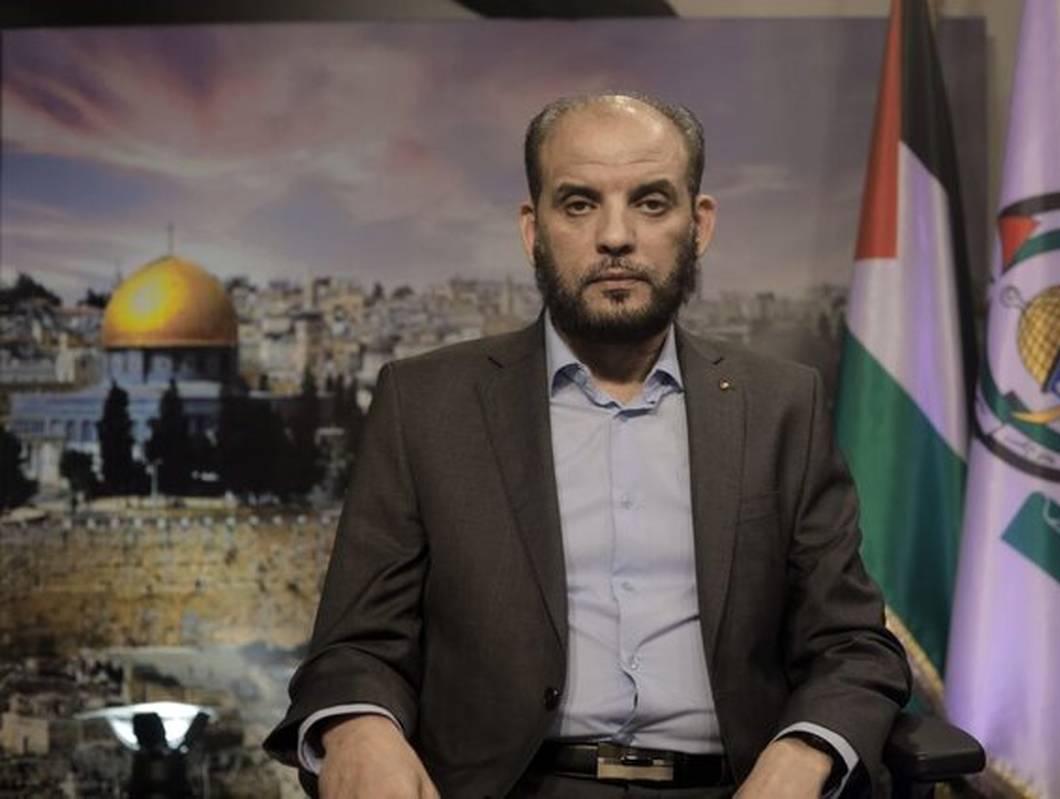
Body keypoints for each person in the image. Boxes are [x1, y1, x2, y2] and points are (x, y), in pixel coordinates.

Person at [264, 91, 910, 799]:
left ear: (699, 225)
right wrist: (359, 728)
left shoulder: (782, 404)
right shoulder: (426, 405)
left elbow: (852, 643)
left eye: (651, 203)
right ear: (532, 229)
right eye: (578, 204)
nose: (615, 236)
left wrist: (805, 752)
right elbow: (355, 646)